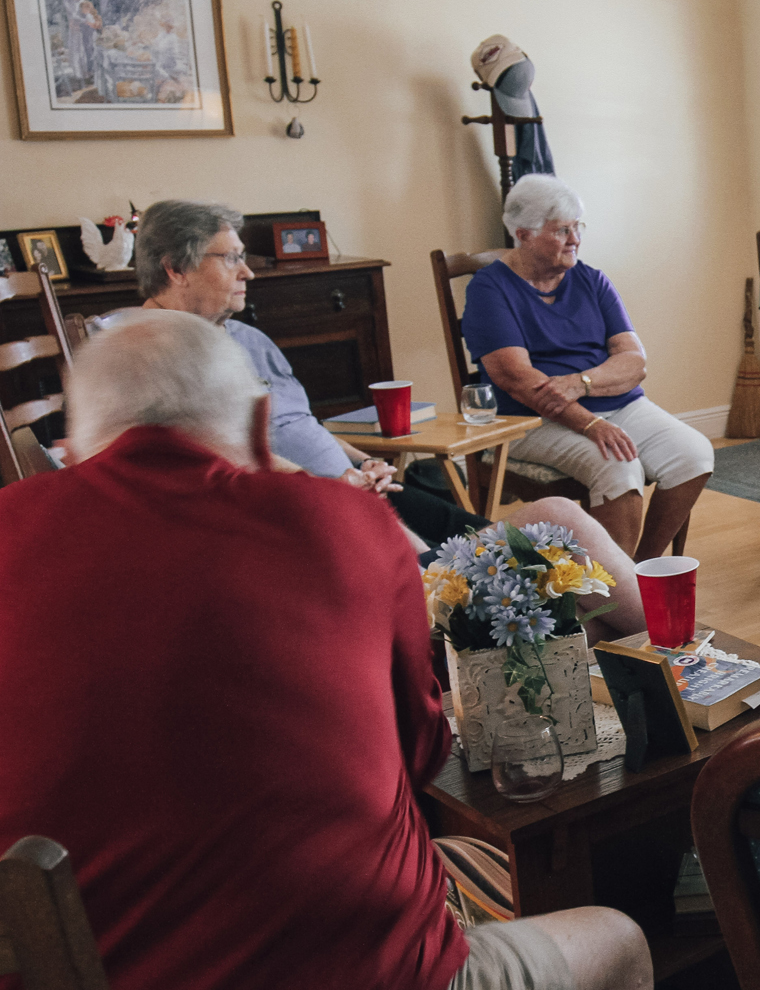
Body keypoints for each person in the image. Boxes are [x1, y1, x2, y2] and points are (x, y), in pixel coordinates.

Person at [0, 309, 652, 990]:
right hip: (363, 970)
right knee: (619, 939)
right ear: (261, 428)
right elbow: (422, 755)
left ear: (71, 448)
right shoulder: (342, 522)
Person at [131, 199, 651, 643]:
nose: (247, 272)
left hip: (366, 494)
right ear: (176, 268)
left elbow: (302, 426)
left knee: (574, 592)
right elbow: (216, 468)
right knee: (557, 525)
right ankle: (671, 649)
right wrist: (334, 489)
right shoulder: (154, 358)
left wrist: (365, 463)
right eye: (231, 258)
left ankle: (651, 662)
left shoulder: (248, 339)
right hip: (324, 525)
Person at [464, 175, 713, 559]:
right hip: (530, 420)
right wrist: (591, 424)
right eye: (561, 230)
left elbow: (634, 362)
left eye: (577, 227)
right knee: (619, 467)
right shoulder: (489, 289)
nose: (575, 239)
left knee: (693, 454)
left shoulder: (592, 280)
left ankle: (639, 571)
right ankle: (609, 587)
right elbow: (517, 379)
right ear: (524, 234)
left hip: (616, 405)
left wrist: (581, 383)